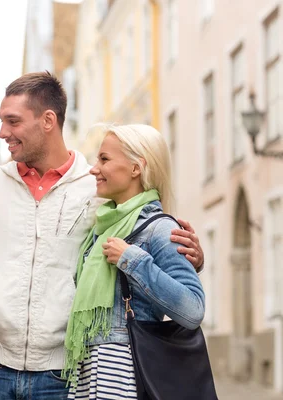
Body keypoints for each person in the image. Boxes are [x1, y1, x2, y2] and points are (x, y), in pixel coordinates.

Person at [0, 72, 204, 399]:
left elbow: (145, 233)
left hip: (62, 372)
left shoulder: (99, 189)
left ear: (48, 120)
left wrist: (190, 258)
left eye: (13, 121)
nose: (3, 132)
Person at [63, 124, 205, 398]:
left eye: (104, 159)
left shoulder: (160, 229)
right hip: (89, 372)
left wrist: (132, 260)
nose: (94, 169)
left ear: (136, 168)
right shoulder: (101, 227)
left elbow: (193, 309)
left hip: (125, 374)